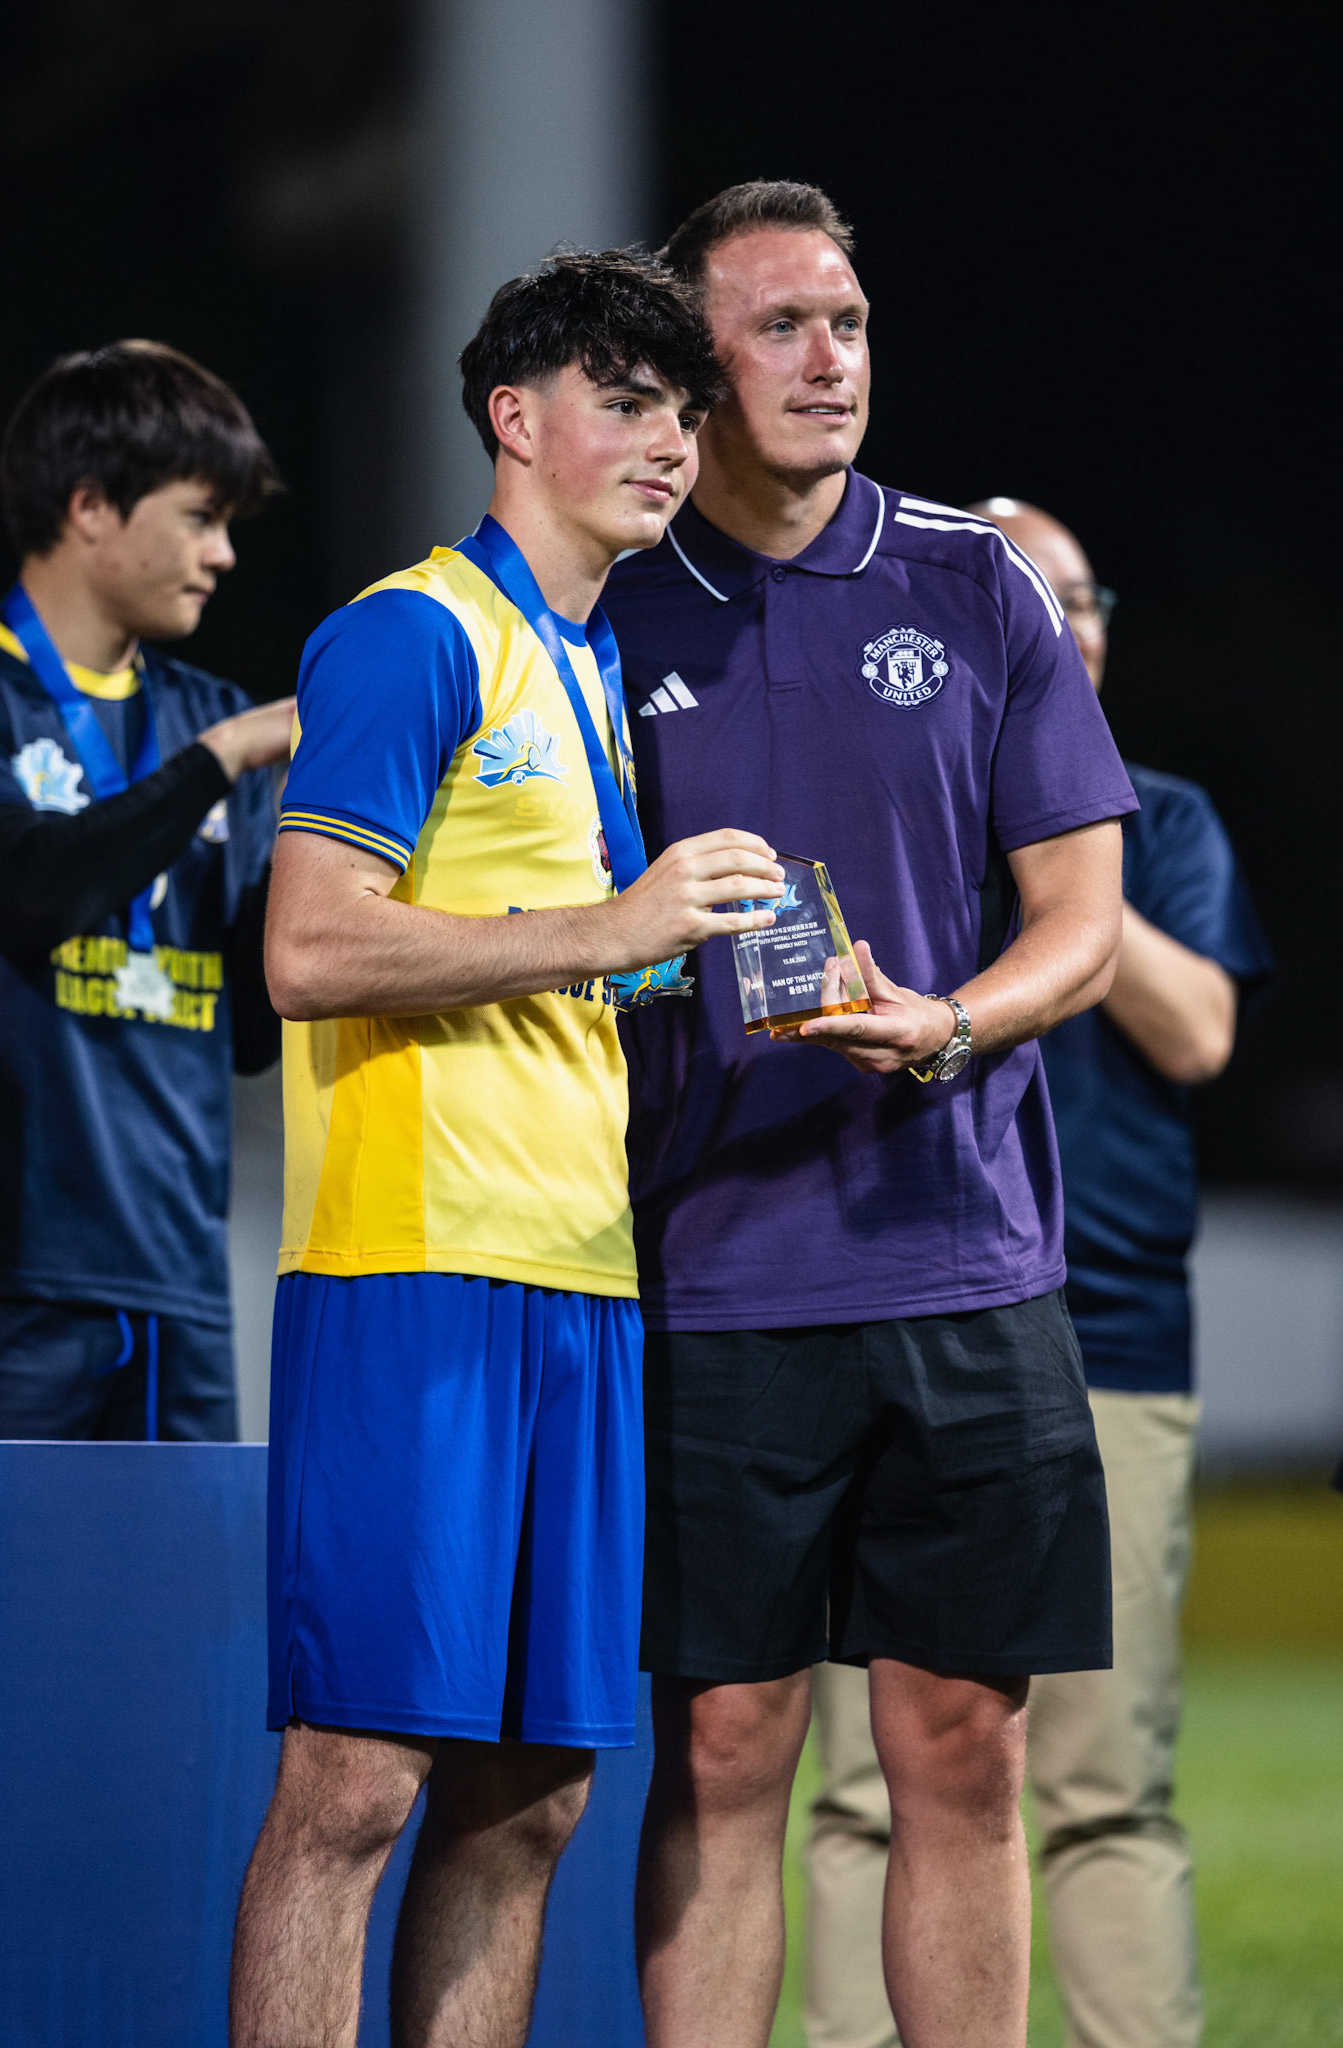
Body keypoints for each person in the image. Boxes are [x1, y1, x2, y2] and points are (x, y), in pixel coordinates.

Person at [602, 182, 1138, 2048]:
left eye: (848, 321)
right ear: (692, 367)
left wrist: (955, 1023)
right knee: (729, 1748)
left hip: (963, 1257)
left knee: (962, 1745)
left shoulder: (971, 574)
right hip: (709, 1264)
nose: (831, 358)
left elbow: (1083, 918)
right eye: (782, 327)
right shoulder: (605, 600)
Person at [228, 249, 782, 2048]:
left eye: (685, 409)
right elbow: (307, 947)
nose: (669, 441)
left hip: (581, 1286)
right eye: (627, 400)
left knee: (534, 1796)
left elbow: (563, 959)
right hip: (412, 1273)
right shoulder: (412, 631)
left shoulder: (592, 665)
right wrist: (610, 925)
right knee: (357, 1784)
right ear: (514, 417)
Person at [803, 499, 1272, 2048]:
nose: (1059, 626)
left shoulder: (1166, 817)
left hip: (1112, 1333)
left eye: (1077, 598)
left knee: (1100, 1781)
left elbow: (1196, 1032)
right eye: (1017, 597)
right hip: (892, 1299)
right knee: (865, 1781)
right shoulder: (875, 804)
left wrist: (1060, 836)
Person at [0, 340, 293, 1442]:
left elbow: (251, 1030)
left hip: (182, 1282)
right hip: (12, 1280)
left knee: (178, 1617)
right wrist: (216, 764)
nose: (223, 556)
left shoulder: (213, 712)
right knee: (5, 1613)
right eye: (200, 517)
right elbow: (28, 890)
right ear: (92, 507)